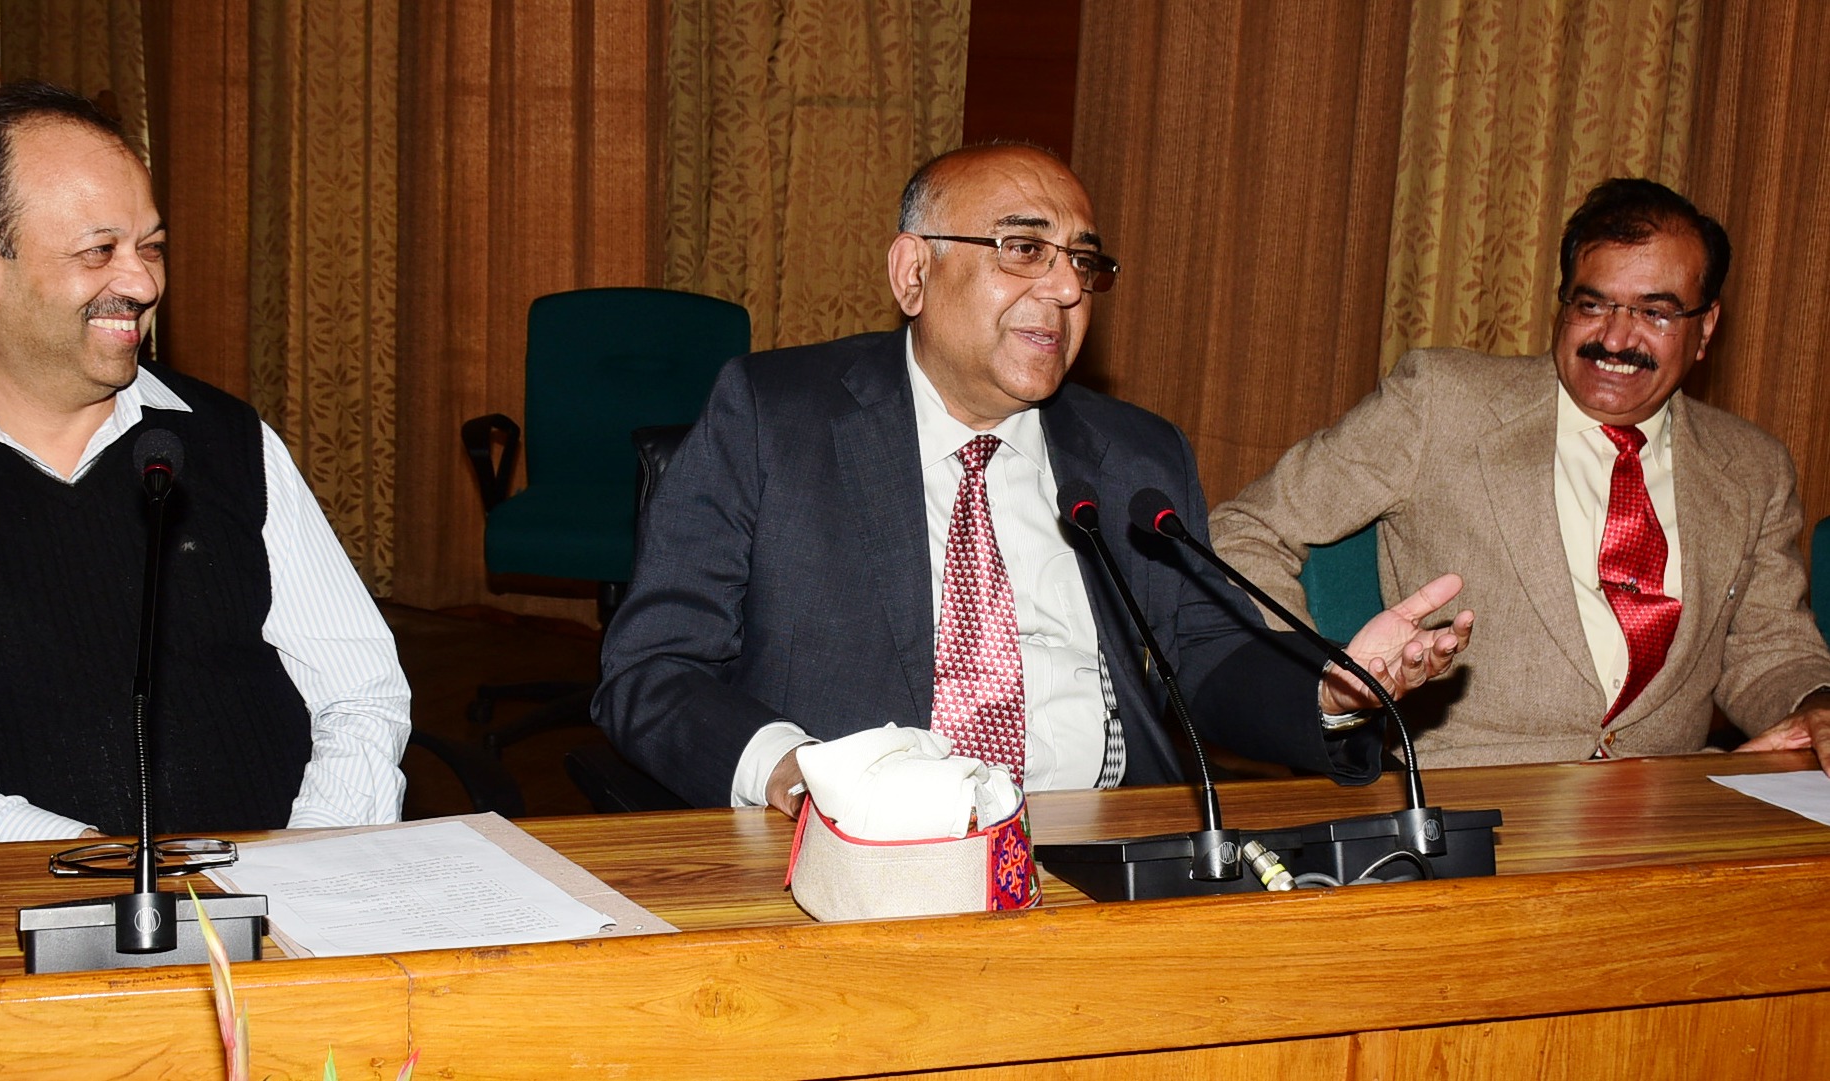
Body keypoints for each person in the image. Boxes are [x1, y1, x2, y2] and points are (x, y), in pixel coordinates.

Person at [594, 144, 1472, 814]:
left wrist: (1328, 688)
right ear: (913, 272)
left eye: (1081, 261)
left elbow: (1204, 653)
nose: (1063, 288)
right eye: (1022, 248)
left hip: (1103, 843)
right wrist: (799, 773)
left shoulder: (1135, 454)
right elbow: (653, 667)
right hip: (859, 853)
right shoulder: (772, 417)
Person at [0, 82, 412, 843]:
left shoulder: (228, 439)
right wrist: (85, 864)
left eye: (151, 247)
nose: (143, 283)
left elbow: (360, 692)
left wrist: (309, 857)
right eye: (99, 251)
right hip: (32, 901)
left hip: (277, 882)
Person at [1211, 178, 1830, 769]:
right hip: (1474, 793)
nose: (1616, 339)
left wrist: (1816, 705)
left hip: (1667, 801)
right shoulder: (1441, 403)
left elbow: (1771, 645)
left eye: (1654, 313)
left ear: (1706, 327)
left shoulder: (1753, 468)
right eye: (1592, 304)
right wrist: (1322, 679)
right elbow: (1244, 531)